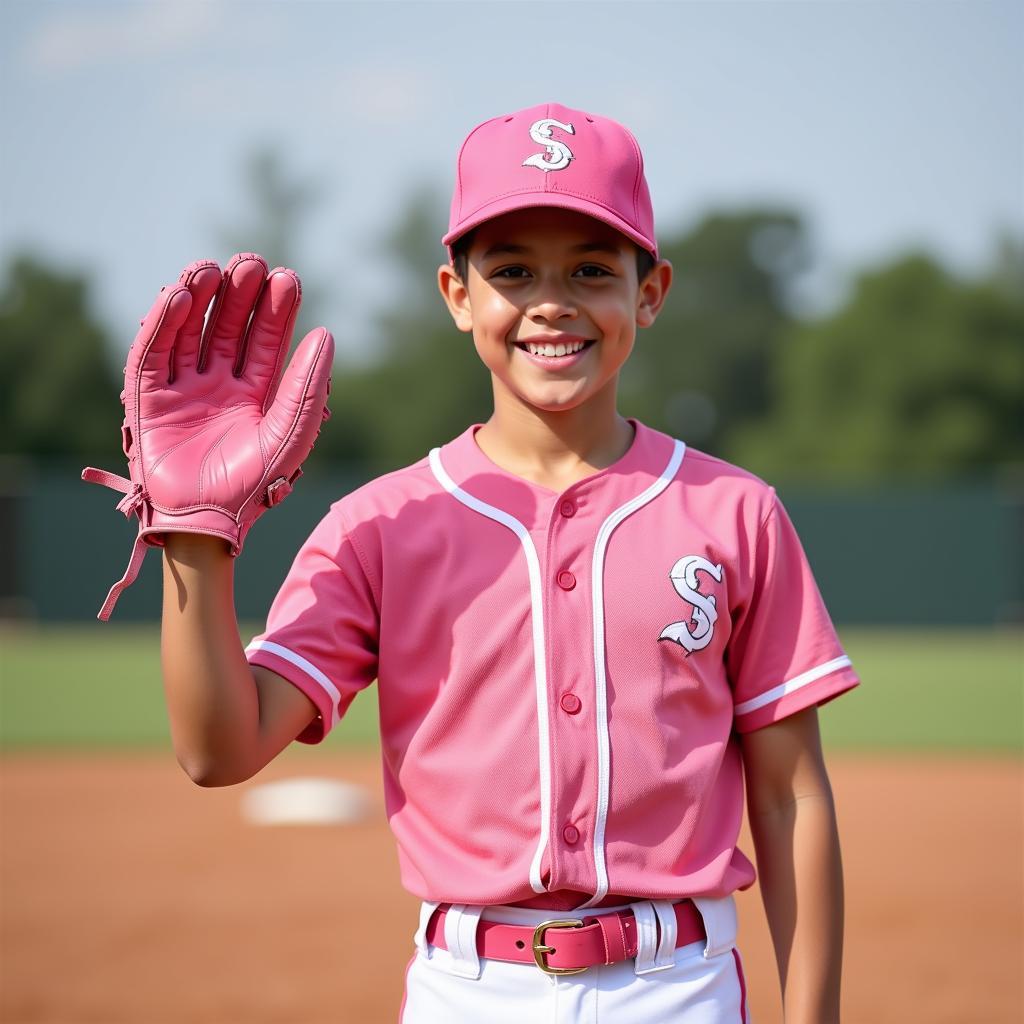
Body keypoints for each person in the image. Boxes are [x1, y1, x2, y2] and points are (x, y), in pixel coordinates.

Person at [90, 102, 859, 1023]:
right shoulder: (381, 524)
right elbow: (218, 750)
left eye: (590, 269)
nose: (552, 301)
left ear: (649, 292)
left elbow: (791, 799)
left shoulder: (734, 514)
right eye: (511, 270)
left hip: (680, 985)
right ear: (457, 294)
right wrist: (194, 537)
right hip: (469, 989)